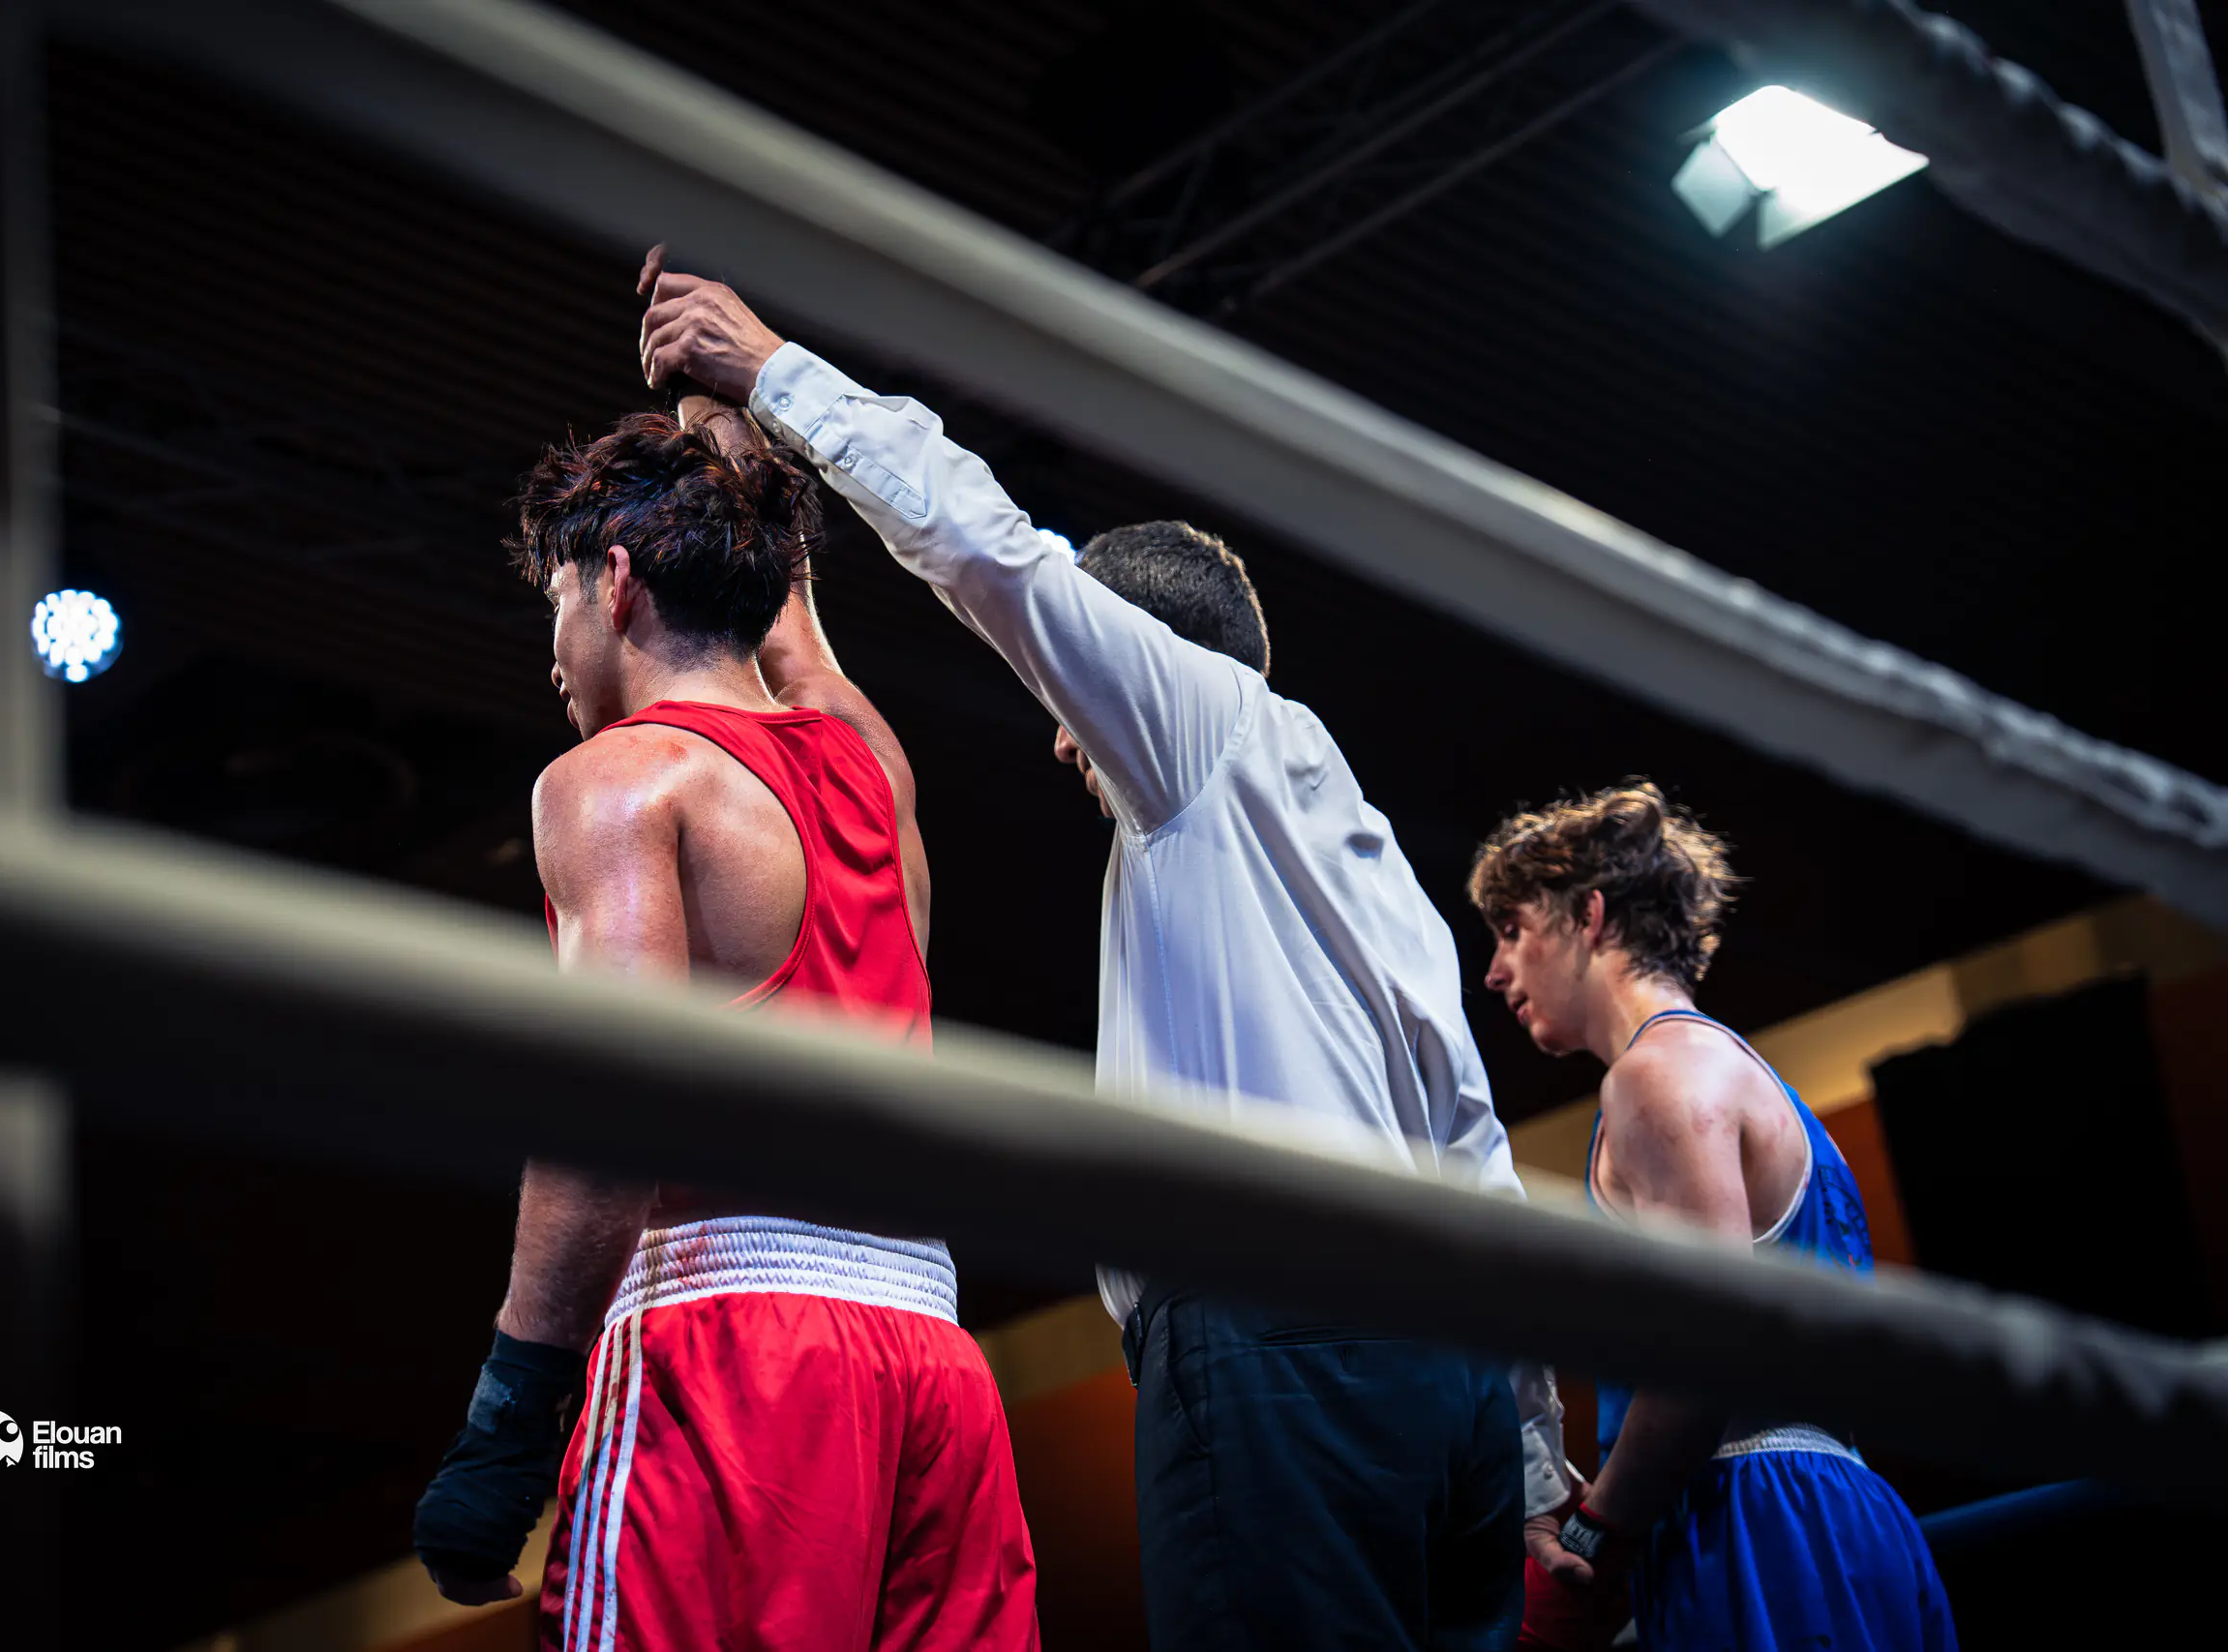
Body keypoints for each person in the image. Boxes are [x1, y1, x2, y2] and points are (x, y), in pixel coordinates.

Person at [639, 248, 1565, 1652]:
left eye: (1080, 703)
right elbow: (1474, 1136)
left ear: (1137, 657)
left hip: (1279, 1338)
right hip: (1450, 1386)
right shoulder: (1358, 843)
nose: (1066, 740)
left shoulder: (1195, 729)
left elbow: (989, 550)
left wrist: (772, 372)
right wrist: (1537, 1459)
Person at [409, 401, 1038, 1652]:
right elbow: (800, 655)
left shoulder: (621, 779)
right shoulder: (867, 763)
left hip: (734, 1356)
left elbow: (614, 1109)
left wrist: (509, 1416)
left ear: (617, 578)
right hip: (935, 1362)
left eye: (556, 593)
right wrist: (744, 466)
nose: (553, 644)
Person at [1470, 782, 1956, 1652]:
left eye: (1513, 929)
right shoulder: (1755, 1080)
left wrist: (1591, 1536)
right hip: (1840, 1510)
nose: (1495, 970)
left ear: (1588, 914)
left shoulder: (1656, 1077)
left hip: (1753, 1521)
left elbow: (1706, 1353)